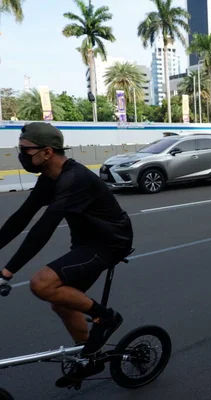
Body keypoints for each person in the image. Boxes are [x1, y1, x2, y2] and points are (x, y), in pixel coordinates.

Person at [0, 123, 133, 385]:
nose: (21, 154)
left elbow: (43, 229)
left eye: (25, 149)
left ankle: (106, 318)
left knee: (42, 284)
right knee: (61, 300)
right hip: (85, 243)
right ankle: (88, 354)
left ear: (47, 152)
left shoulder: (74, 179)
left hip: (109, 243)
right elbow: (21, 219)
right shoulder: (49, 180)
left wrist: (7, 272)